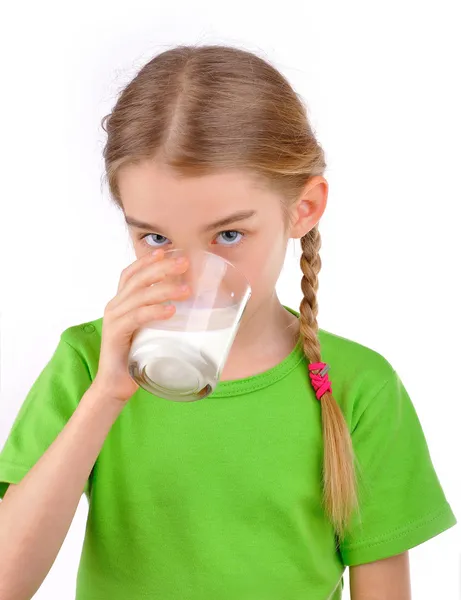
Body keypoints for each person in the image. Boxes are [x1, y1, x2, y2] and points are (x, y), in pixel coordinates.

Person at [0, 44, 456, 600]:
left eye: (229, 236)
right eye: (156, 238)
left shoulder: (359, 386)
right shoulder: (89, 365)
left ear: (303, 209)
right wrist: (106, 394)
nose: (190, 277)